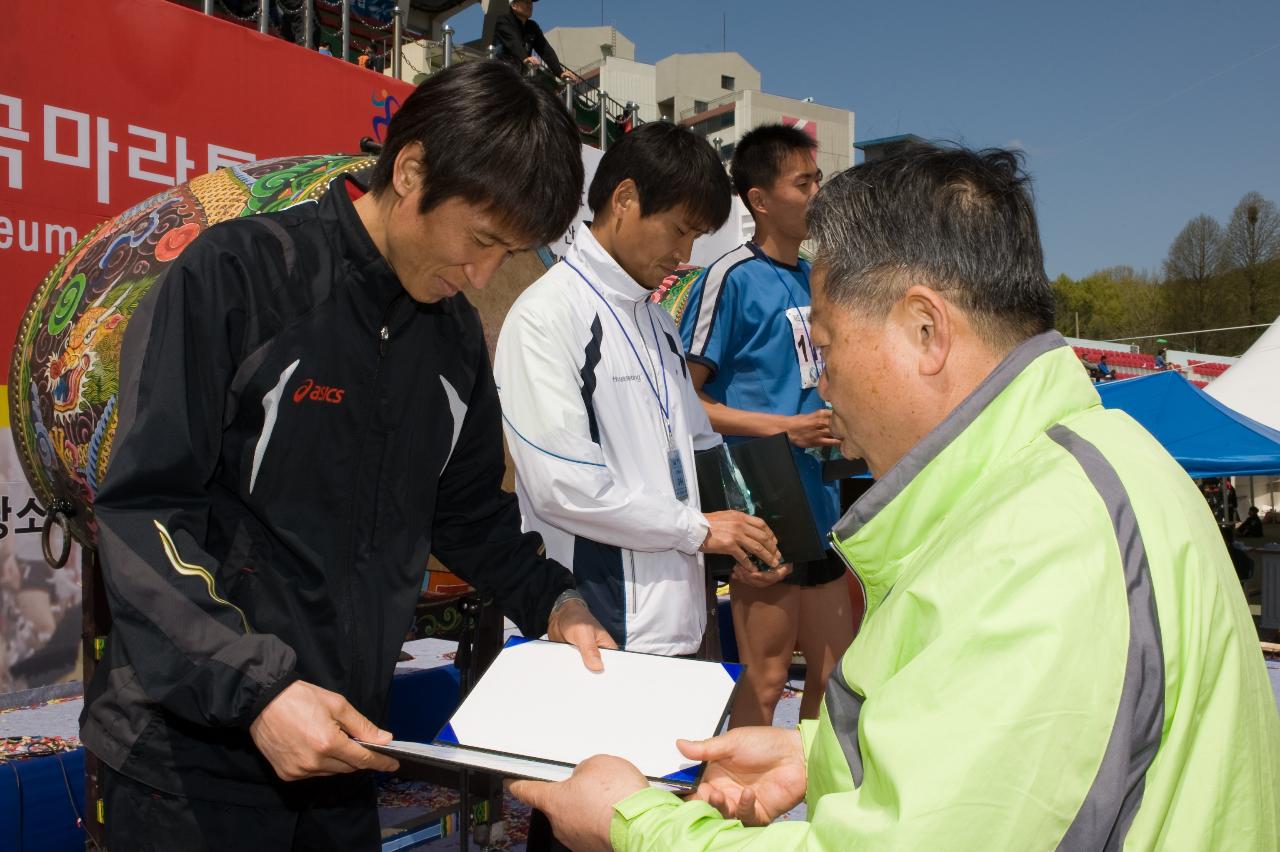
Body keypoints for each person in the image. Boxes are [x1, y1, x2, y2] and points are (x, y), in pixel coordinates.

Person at [511, 144, 1280, 850]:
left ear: (924, 329)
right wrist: (827, 750)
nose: (823, 379)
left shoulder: (1042, 541)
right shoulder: (1071, 480)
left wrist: (634, 822)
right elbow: (992, 743)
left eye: (829, 342)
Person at [82, 61, 615, 852]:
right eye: (480, 239)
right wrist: (259, 690)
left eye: (509, 253)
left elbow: (467, 515)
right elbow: (143, 510)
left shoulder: (452, 337)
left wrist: (555, 602)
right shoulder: (241, 277)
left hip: (343, 745)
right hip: (189, 756)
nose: (482, 274)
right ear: (410, 170)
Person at [495, 121, 787, 662]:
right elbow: (565, 487)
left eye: (697, 237)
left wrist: (744, 542)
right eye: (679, 230)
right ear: (625, 198)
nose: (685, 252)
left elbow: (702, 452)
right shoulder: (548, 314)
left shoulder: (659, 322)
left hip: (687, 621)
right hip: (596, 629)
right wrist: (700, 530)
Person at [678, 124, 854, 728]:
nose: (816, 195)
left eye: (818, 181)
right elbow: (684, 403)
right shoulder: (728, 278)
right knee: (767, 679)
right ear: (759, 199)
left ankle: (810, 816)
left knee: (835, 680)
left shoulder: (817, 278)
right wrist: (784, 429)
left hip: (826, 507)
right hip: (761, 510)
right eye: (803, 183)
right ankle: (729, 811)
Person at [494, 0, 582, 84]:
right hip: (501, 73)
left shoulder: (532, 26)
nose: (530, 5)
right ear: (514, 5)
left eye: (531, 2)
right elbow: (513, 42)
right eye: (526, 2)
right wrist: (525, 58)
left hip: (519, 74)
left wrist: (560, 72)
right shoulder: (503, 21)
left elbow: (545, 50)